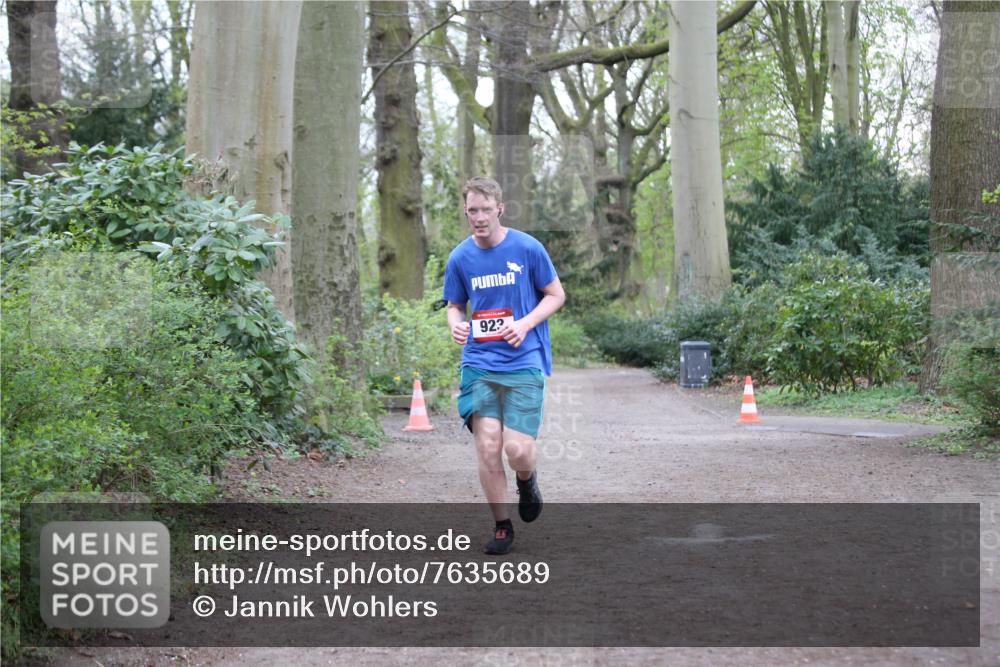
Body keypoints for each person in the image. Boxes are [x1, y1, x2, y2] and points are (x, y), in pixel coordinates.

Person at [443, 176, 566, 555]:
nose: (479, 217)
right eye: (472, 211)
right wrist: (456, 326)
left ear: (500, 208)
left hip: (523, 361)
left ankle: (527, 481)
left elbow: (556, 294)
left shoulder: (527, 248)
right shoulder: (460, 257)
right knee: (488, 445)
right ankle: (501, 526)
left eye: (485, 209)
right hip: (479, 362)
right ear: (466, 212)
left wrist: (525, 323)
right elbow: (454, 305)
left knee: (517, 451)